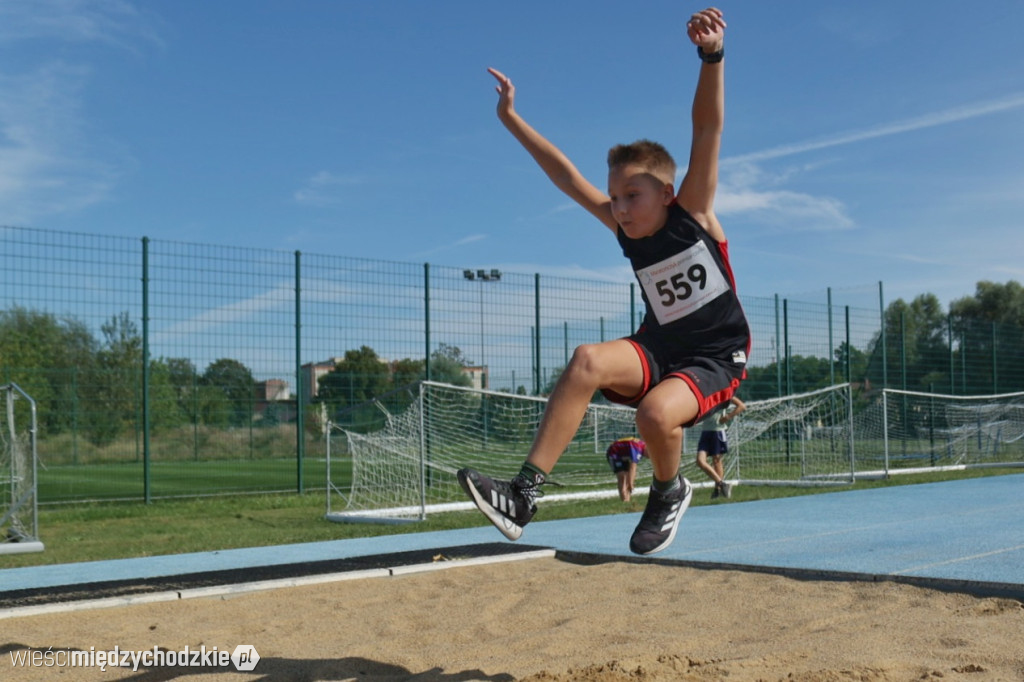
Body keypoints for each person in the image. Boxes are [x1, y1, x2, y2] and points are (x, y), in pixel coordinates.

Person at [458, 7, 750, 555]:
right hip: (660, 345)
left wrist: (711, 56)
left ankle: (668, 489)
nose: (618, 208)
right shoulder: (627, 230)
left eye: (630, 197)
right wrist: (511, 119)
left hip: (716, 355)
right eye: (613, 198)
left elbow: (707, 128)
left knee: (656, 414)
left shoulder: (694, 211)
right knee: (587, 359)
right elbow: (566, 176)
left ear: (665, 193)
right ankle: (523, 495)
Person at [695, 395, 745, 499]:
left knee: (716, 461)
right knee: (700, 461)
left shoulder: (724, 394)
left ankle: (718, 488)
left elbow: (741, 406)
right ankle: (722, 484)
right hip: (706, 431)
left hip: (717, 431)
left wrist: (727, 417)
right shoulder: (705, 393)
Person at [606, 437, 648, 502]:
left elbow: (632, 469)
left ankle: (627, 500)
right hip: (614, 453)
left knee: (628, 476)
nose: (648, 457)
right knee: (623, 477)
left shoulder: (641, 447)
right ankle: (624, 500)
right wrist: (631, 483)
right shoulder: (638, 448)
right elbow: (633, 467)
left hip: (625, 455)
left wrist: (631, 481)